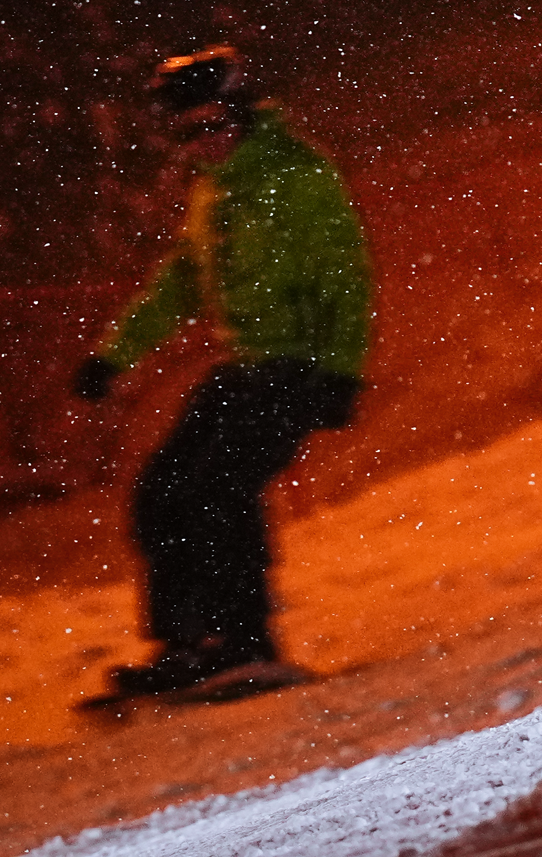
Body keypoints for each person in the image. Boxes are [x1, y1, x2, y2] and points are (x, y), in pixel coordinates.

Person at [71, 47, 373, 700]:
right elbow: (181, 280)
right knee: (160, 489)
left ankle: (246, 641)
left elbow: (345, 277)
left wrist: (340, 371)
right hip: (243, 367)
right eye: (187, 132)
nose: (201, 142)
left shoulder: (297, 174)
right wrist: (114, 353)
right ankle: (186, 642)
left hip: (298, 365)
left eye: (211, 124)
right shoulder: (216, 189)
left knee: (217, 488)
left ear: (239, 112)